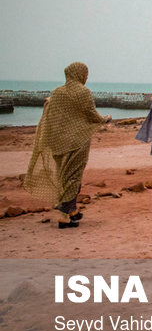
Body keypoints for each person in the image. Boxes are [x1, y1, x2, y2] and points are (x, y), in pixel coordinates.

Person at [23, 62, 110, 229]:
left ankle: (72, 212)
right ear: (80, 74)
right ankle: (64, 215)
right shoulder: (84, 92)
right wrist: (104, 119)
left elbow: (52, 114)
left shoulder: (57, 93)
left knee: (63, 177)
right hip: (77, 141)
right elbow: (91, 114)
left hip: (57, 142)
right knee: (74, 176)